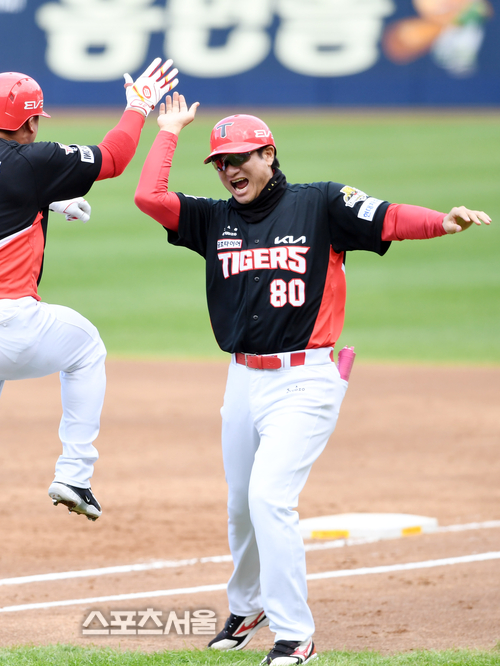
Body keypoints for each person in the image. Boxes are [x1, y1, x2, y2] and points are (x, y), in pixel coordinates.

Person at [134, 93, 491, 665]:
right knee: (240, 506)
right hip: (242, 380)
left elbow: (387, 217)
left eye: (240, 158)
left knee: (269, 498)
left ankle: (295, 636)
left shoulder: (320, 203)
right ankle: (247, 605)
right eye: (221, 162)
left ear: (269, 154)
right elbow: (149, 197)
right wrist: (170, 130)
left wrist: (442, 223)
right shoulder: (215, 219)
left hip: (304, 380)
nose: (229, 171)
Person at [0, 59, 179, 615]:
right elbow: (114, 157)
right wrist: (138, 106)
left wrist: (48, 200)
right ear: (30, 122)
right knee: (87, 347)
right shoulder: (34, 159)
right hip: (3, 324)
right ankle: (74, 475)